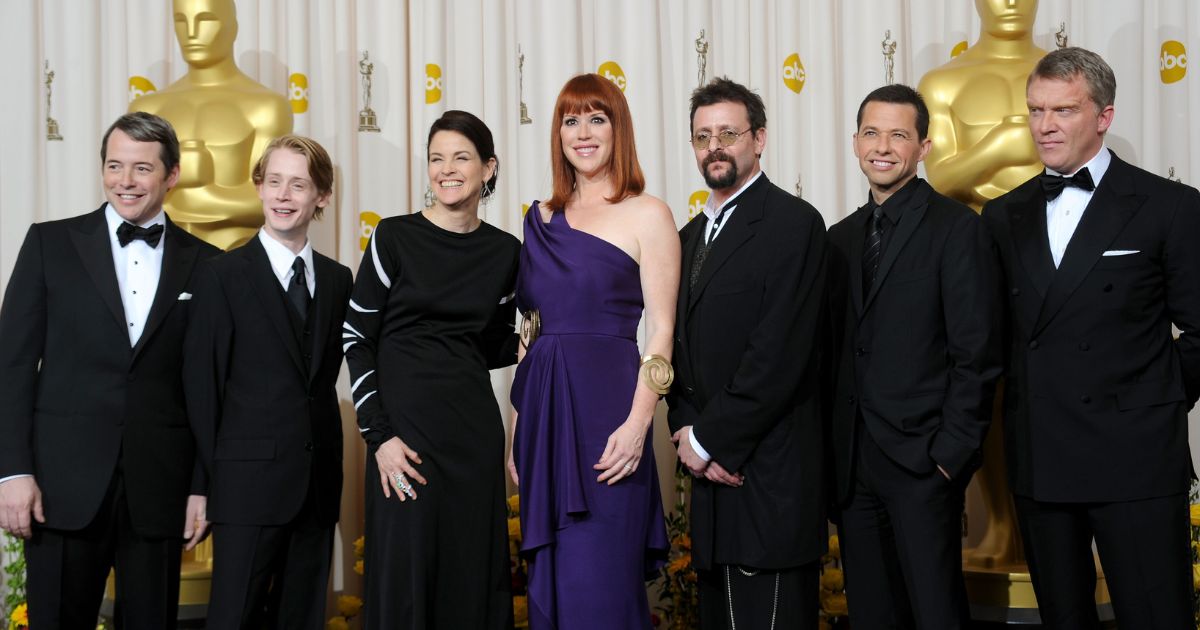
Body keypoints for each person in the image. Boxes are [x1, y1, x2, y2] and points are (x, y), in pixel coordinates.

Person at [982, 47, 1200, 628]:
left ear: (1103, 117)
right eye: (1035, 110)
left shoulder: (1169, 206)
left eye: (1063, 111)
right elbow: (991, 339)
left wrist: (1154, 401)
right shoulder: (1003, 216)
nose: (1044, 126)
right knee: (1063, 618)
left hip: (1137, 458)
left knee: (1157, 616)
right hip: (1041, 455)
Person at [0, 112, 219, 629]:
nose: (125, 181)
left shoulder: (209, 265)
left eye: (141, 169)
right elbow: (11, 366)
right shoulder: (49, 245)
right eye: (115, 166)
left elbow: (210, 388)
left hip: (159, 490)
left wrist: (202, 485)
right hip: (60, 488)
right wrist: (14, 471)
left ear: (172, 175)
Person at [827, 84, 1003, 629]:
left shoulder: (957, 229)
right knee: (872, 616)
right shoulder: (838, 239)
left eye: (899, 135)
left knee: (935, 613)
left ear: (923, 147)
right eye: (872, 133)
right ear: (855, 143)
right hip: (853, 468)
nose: (883, 146)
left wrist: (950, 455)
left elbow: (978, 351)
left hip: (924, 463)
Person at [509, 73, 678, 629]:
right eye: (570, 120)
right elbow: (527, 335)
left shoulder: (648, 213)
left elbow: (661, 330)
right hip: (542, 421)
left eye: (596, 119)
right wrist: (516, 431)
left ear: (618, 129)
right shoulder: (538, 219)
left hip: (610, 421)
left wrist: (638, 426)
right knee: (551, 583)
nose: (582, 133)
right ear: (557, 133)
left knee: (600, 586)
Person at [345, 110, 520, 628]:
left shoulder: (506, 252)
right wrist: (380, 437)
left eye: (461, 157)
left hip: (472, 440)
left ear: (488, 169)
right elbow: (356, 338)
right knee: (404, 581)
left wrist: (546, 340)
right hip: (405, 442)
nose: (447, 169)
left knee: (471, 579)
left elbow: (490, 347)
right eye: (436, 158)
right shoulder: (393, 238)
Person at [667, 77, 828, 629]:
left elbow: (779, 354)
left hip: (769, 476)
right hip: (711, 483)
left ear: (759, 139)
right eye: (702, 136)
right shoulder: (686, 238)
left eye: (728, 133)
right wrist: (688, 434)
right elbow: (676, 352)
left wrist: (710, 441)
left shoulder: (794, 224)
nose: (715, 146)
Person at [183, 134, 351, 628]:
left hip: (317, 488)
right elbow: (202, 390)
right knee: (232, 618)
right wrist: (201, 486)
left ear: (321, 196)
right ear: (258, 187)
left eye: (298, 185)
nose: (283, 195)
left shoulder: (339, 280)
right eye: (273, 181)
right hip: (244, 488)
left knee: (301, 619)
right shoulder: (222, 277)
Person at [131, 0, 292, 249]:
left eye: (205, 20)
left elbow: (272, 200)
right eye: (181, 21)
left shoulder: (266, 107)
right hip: (157, 256)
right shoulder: (149, 108)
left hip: (233, 255)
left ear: (233, 27)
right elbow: (129, 193)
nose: (192, 33)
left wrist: (194, 193)